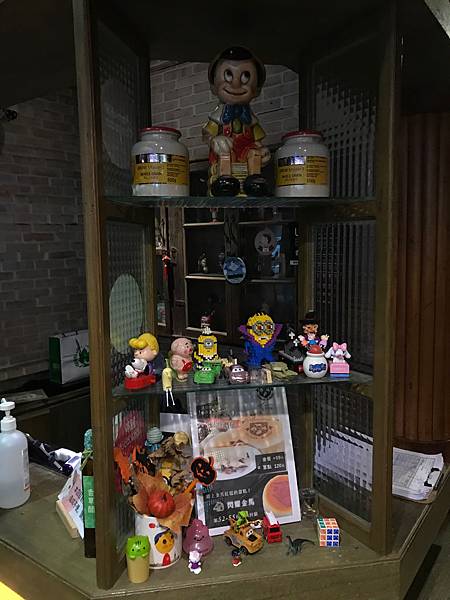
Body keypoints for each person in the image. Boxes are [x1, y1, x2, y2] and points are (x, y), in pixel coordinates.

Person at [203, 46, 270, 196]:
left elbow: (257, 140)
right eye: (228, 75)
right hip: (227, 152)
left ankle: (254, 182)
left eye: (245, 76)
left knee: (255, 154)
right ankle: (225, 181)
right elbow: (206, 134)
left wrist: (262, 150)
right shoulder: (218, 116)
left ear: (257, 89)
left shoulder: (250, 119)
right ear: (213, 86)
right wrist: (214, 140)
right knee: (225, 154)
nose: (236, 84)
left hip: (246, 155)